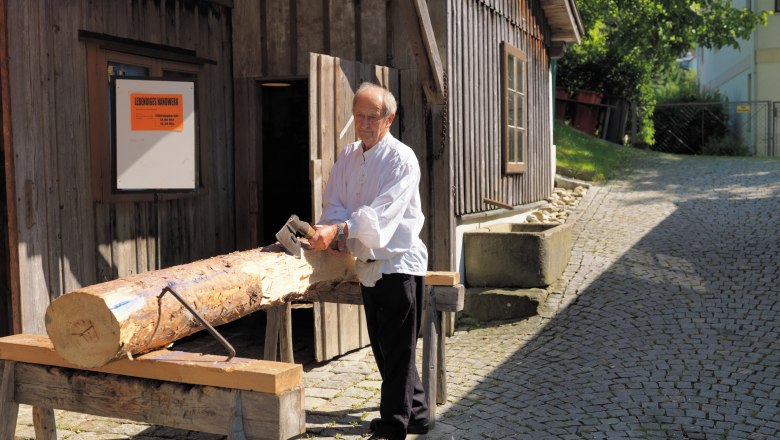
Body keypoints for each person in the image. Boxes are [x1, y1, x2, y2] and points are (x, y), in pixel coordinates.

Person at [308, 82, 429, 440]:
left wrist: (341, 231)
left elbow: (380, 220)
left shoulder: (401, 159)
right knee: (386, 349)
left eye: (371, 117)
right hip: (367, 265)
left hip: (398, 265)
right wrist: (334, 232)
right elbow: (335, 204)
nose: (363, 123)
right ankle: (418, 415)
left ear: (389, 118)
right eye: (358, 115)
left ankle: (393, 428)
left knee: (398, 352)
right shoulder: (347, 156)